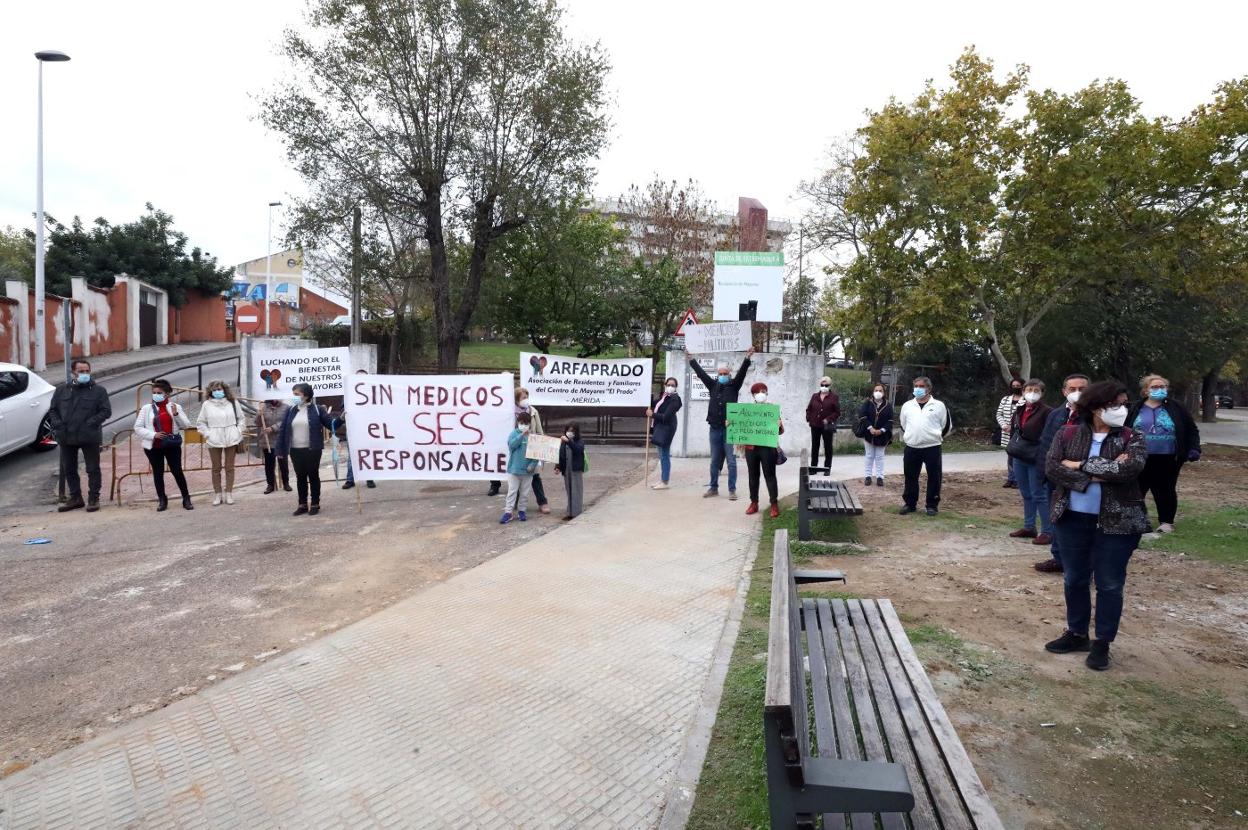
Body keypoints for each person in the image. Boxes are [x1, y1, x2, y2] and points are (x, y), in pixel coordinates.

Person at [1043, 380, 1148, 671]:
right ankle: (1077, 633)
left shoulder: (1132, 437)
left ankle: (1102, 643)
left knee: (1110, 584)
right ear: (1096, 407)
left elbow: (1128, 470)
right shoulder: (1067, 433)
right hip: (1072, 520)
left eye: (1125, 404)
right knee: (1074, 579)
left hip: (1118, 524)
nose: (1123, 409)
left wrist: (1079, 465)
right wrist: (1100, 472)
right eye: (1117, 404)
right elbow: (1052, 467)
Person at [1126, 374, 1201, 534]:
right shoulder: (1134, 408)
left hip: (1169, 457)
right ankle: (1137, 520)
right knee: (1136, 489)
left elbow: (1191, 429)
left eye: (1162, 387)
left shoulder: (1177, 407)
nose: (1159, 390)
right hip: (1139, 457)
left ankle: (1166, 521)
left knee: (1165, 489)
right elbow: (1124, 430)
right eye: (1154, 387)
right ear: (1146, 390)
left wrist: (1193, 448)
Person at [1032, 373, 1090, 573]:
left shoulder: (1095, 415)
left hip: (1082, 478)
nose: (1077, 393)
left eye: (1082, 389)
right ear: (1064, 391)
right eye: (1072, 389)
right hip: (1054, 478)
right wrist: (1042, 474)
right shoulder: (1056, 414)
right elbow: (1045, 444)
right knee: (1056, 517)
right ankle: (1058, 557)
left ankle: (1079, 563)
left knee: (1078, 521)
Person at [690, 346, 755, 499]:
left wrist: (747, 358)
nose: (723, 376)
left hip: (729, 429)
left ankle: (732, 489)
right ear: (717, 375)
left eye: (725, 374)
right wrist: (691, 359)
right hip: (714, 428)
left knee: (731, 461)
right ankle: (713, 488)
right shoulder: (713, 385)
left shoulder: (734, 385)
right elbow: (701, 373)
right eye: (720, 374)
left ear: (729, 375)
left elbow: (742, 373)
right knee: (714, 460)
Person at [49, 359, 111, 513]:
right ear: (73, 372)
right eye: (81, 371)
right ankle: (75, 497)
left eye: (87, 371)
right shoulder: (62, 390)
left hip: (89, 435)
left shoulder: (99, 391)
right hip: (66, 436)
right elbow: (53, 410)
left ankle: (93, 498)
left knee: (92, 468)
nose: (84, 374)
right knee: (69, 468)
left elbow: (105, 411)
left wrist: (90, 423)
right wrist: (58, 424)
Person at [275, 382, 340, 516]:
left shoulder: (318, 409)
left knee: (313, 475)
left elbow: (331, 424)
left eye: (296, 394)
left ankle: (315, 503)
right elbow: (283, 430)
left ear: (305, 395)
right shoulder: (291, 410)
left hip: (313, 449)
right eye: (293, 394)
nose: (294, 397)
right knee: (300, 477)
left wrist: (341, 419)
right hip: (295, 449)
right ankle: (302, 504)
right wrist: (280, 450)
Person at [1007, 379, 1054, 545]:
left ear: (1042, 393)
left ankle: (1048, 531)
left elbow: (1050, 436)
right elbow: (1015, 432)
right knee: (1026, 493)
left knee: (1039, 494)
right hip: (1020, 455)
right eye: (1029, 389)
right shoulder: (1020, 409)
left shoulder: (1048, 412)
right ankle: (1029, 526)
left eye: (1036, 390)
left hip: (1037, 458)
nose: (1032, 393)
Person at [133, 379, 192, 511]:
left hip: (172, 445)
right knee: (158, 473)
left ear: (167, 394)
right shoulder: (146, 408)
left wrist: (176, 414)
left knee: (177, 471)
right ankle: (162, 499)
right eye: (154, 393)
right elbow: (137, 427)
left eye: (159, 392)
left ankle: (186, 498)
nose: (156, 395)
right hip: (154, 446)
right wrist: (153, 435)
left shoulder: (175, 407)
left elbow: (186, 425)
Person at [898, 376, 951, 516]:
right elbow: (904, 425)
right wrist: (912, 436)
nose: (918, 389)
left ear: (929, 388)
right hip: (912, 446)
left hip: (932, 447)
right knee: (910, 476)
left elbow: (946, 426)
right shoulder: (907, 406)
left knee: (934, 476)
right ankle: (910, 504)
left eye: (921, 386)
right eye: (916, 386)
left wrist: (935, 437)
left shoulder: (939, 405)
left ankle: (932, 505)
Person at [196, 380, 246, 506]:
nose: (218, 392)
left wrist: (238, 431)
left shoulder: (233, 403)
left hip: (231, 438)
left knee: (230, 467)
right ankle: (218, 493)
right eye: (215, 390)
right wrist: (208, 434)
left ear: (224, 389)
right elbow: (201, 422)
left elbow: (241, 418)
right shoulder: (207, 404)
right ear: (210, 392)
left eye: (219, 389)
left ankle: (229, 492)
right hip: (214, 439)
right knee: (216, 468)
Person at [738, 382, 784, 518]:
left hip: (767, 447)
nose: (761, 394)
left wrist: (779, 425)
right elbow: (738, 426)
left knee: (770, 475)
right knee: (753, 476)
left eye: (764, 391)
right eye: (758, 392)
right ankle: (754, 502)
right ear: (753, 395)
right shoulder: (746, 410)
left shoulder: (771, 409)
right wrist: (730, 423)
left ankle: (774, 504)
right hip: (751, 448)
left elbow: (780, 431)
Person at [501, 411, 536, 524]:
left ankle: (522, 511)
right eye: (521, 423)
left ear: (530, 424)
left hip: (527, 471)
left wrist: (532, 465)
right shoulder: (513, 434)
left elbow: (537, 454)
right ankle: (508, 512)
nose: (524, 425)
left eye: (526, 423)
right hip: (514, 470)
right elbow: (512, 446)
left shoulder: (533, 437)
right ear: (517, 422)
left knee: (525, 493)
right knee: (512, 492)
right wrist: (521, 435)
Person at [342, 369, 375, 490]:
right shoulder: (348, 393)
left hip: (369, 429)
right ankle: (350, 479)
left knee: (368, 453)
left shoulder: (373, 393)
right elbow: (344, 409)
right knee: (352, 455)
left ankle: (369, 478)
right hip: (354, 429)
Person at [648, 377, 683, 490]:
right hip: (660, 427)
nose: (670, 387)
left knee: (664, 455)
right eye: (669, 384)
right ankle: (663, 479)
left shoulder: (674, 399)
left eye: (673, 385)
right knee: (662, 455)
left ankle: (665, 481)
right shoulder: (664, 397)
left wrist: (652, 414)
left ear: (676, 387)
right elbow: (655, 403)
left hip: (667, 428)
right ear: (665, 385)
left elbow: (666, 417)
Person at [857, 383, 893, 487]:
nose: (878, 392)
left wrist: (881, 430)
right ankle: (868, 476)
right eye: (876, 390)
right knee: (869, 456)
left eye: (880, 390)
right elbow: (863, 416)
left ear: (884, 392)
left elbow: (890, 421)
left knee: (880, 457)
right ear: (873, 392)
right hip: (869, 434)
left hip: (882, 435)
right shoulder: (868, 403)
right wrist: (870, 428)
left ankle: (880, 477)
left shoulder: (888, 405)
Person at [256, 399, 292, 494]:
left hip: (281, 440)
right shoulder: (263, 407)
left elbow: (286, 421)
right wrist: (259, 415)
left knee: (283, 463)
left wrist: (273, 428)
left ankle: (286, 483)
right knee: (269, 464)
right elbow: (257, 423)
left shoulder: (286, 407)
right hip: (267, 441)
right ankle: (270, 485)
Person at [806, 375, 841, 470]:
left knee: (828, 447)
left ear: (830, 385)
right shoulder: (815, 396)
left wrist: (828, 419)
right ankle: (813, 467)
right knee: (815, 447)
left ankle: (827, 467)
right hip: (815, 425)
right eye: (822, 384)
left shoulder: (834, 397)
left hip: (827, 426)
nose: (824, 387)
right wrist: (809, 418)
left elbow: (837, 412)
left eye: (826, 385)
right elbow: (809, 409)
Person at [996, 379, 1024, 488]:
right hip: (1007, 432)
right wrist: (1003, 425)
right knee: (1010, 456)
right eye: (1014, 385)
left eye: (1018, 385)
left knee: (1018, 456)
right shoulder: (1005, 399)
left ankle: (1018, 479)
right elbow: (999, 414)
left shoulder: (1026, 400)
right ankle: (1011, 478)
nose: (1016, 387)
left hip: (1020, 433)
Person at [555, 422, 586, 520]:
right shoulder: (564, 441)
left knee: (576, 491)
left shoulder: (579, 441)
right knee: (569, 491)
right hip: (567, 469)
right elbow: (561, 455)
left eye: (572, 431)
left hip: (575, 469)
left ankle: (576, 513)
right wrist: (558, 467)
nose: (569, 432)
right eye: (568, 430)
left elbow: (578, 450)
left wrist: (569, 441)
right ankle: (569, 512)